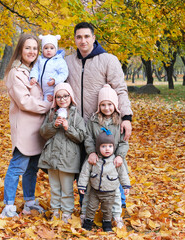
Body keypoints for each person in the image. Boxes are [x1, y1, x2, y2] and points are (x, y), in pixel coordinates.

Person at [65, 22, 133, 226]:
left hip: (103, 125)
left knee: (112, 164)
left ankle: (116, 211)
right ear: (75, 39)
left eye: (87, 36)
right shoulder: (68, 61)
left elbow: (120, 89)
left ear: (94, 38)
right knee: (85, 168)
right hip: (78, 126)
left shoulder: (108, 60)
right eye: (79, 37)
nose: (83, 41)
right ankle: (88, 208)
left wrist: (127, 117)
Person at [0, 34, 52, 218]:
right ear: (20, 50)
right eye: (27, 48)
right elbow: (24, 101)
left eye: (35, 49)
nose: (32, 52)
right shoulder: (15, 73)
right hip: (24, 127)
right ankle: (8, 206)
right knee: (18, 166)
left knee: (32, 168)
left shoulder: (35, 71)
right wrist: (47, 106)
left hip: (37, 129)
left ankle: (29, 202)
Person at [81, 84, 131, 228]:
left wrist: (120, 156)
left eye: (110, 104)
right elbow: (88, 138)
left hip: (113, 162)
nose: (107, 108)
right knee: (90, 191)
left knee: (114, 192)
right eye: (103, 105)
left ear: (114, 105)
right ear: (99, 106)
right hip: (96, 161)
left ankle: (115, 216)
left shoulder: (119, 121)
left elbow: (123, 141)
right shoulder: (94, 121)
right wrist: (91, 152)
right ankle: (85, 214)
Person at [38, 82, 86, 223]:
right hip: (52, 158)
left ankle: (66, 212)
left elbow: (81, 136)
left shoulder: (77, 116)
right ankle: (55, 211)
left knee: (67, 189)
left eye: (65, 96)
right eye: (59, 97)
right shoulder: (52, 114)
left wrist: (67, 127)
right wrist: (53, 125)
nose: (62, 99)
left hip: (68, 159)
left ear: (70, 97)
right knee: (54, 188)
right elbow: (43, 132)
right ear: (55, 99)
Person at [78, 129, 131, 232]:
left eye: (110, 146)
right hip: (95, 190)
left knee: (107, 209)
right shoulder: (94, 159)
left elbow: (123, 174)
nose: (107, 149)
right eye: (103, 146)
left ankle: (107, 224)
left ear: (113, 147)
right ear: (98, 147)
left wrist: (126, 186)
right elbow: (85, 173)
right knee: (91, 207)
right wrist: (82, 185)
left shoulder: (116, 161)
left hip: (110, 191)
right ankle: (88, 223)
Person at [30, 34, 69, 102]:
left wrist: (55, 80)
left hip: (51, 90)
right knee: (35, 103)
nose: (48, 50)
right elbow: (35, 69)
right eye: (46, 48)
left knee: (47, 105)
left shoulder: (59, 61)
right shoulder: (40, 59)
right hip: (39, 88)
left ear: (55, 49)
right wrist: (33, 77)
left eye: (51, 48)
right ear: (42, 49)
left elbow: (64, 73)